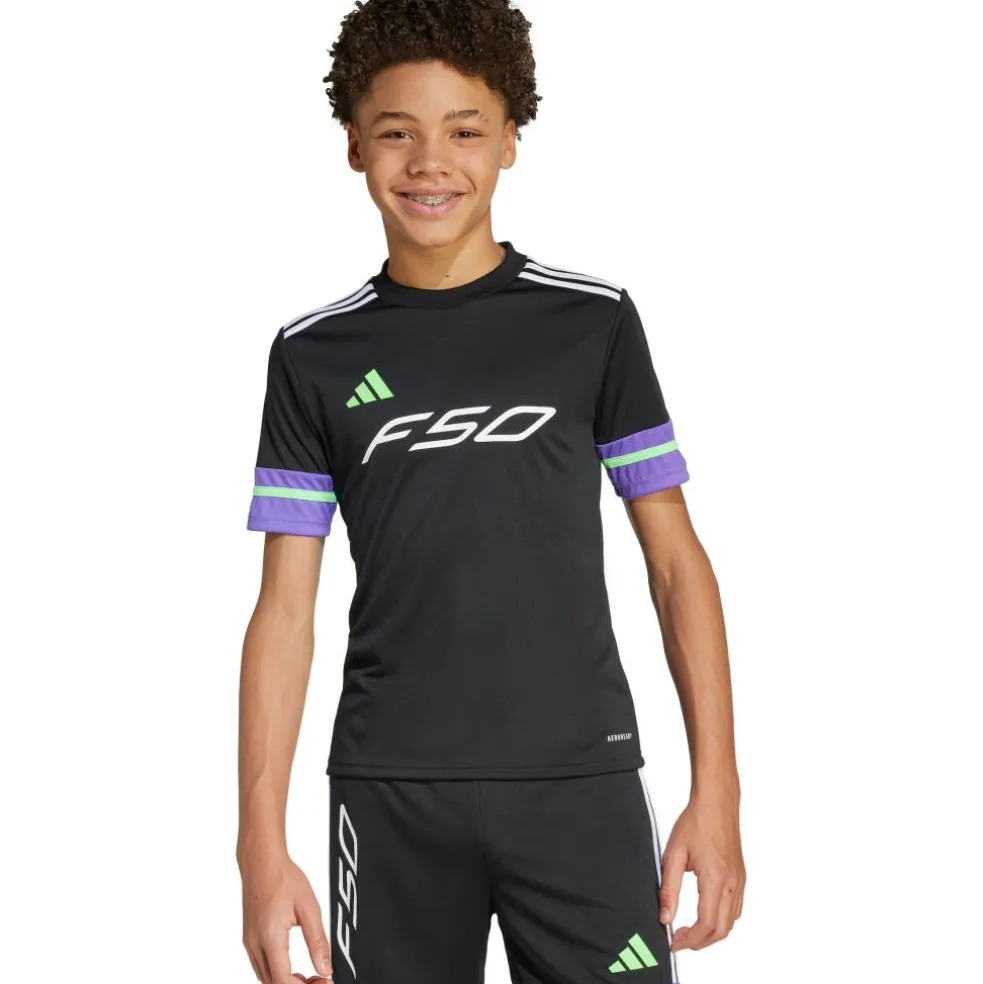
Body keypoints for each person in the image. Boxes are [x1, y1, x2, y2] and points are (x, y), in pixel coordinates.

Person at [237, 2, 744, 982]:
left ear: (511, 139)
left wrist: (716, 792)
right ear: (354, 145)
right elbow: (285, 610)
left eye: (465, 131)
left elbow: (676, 564)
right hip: (390, 795)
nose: (431, 162)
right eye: (398, 132)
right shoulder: (312, 355)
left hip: (580, 785)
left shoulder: (591, 323)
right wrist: (259, 846)